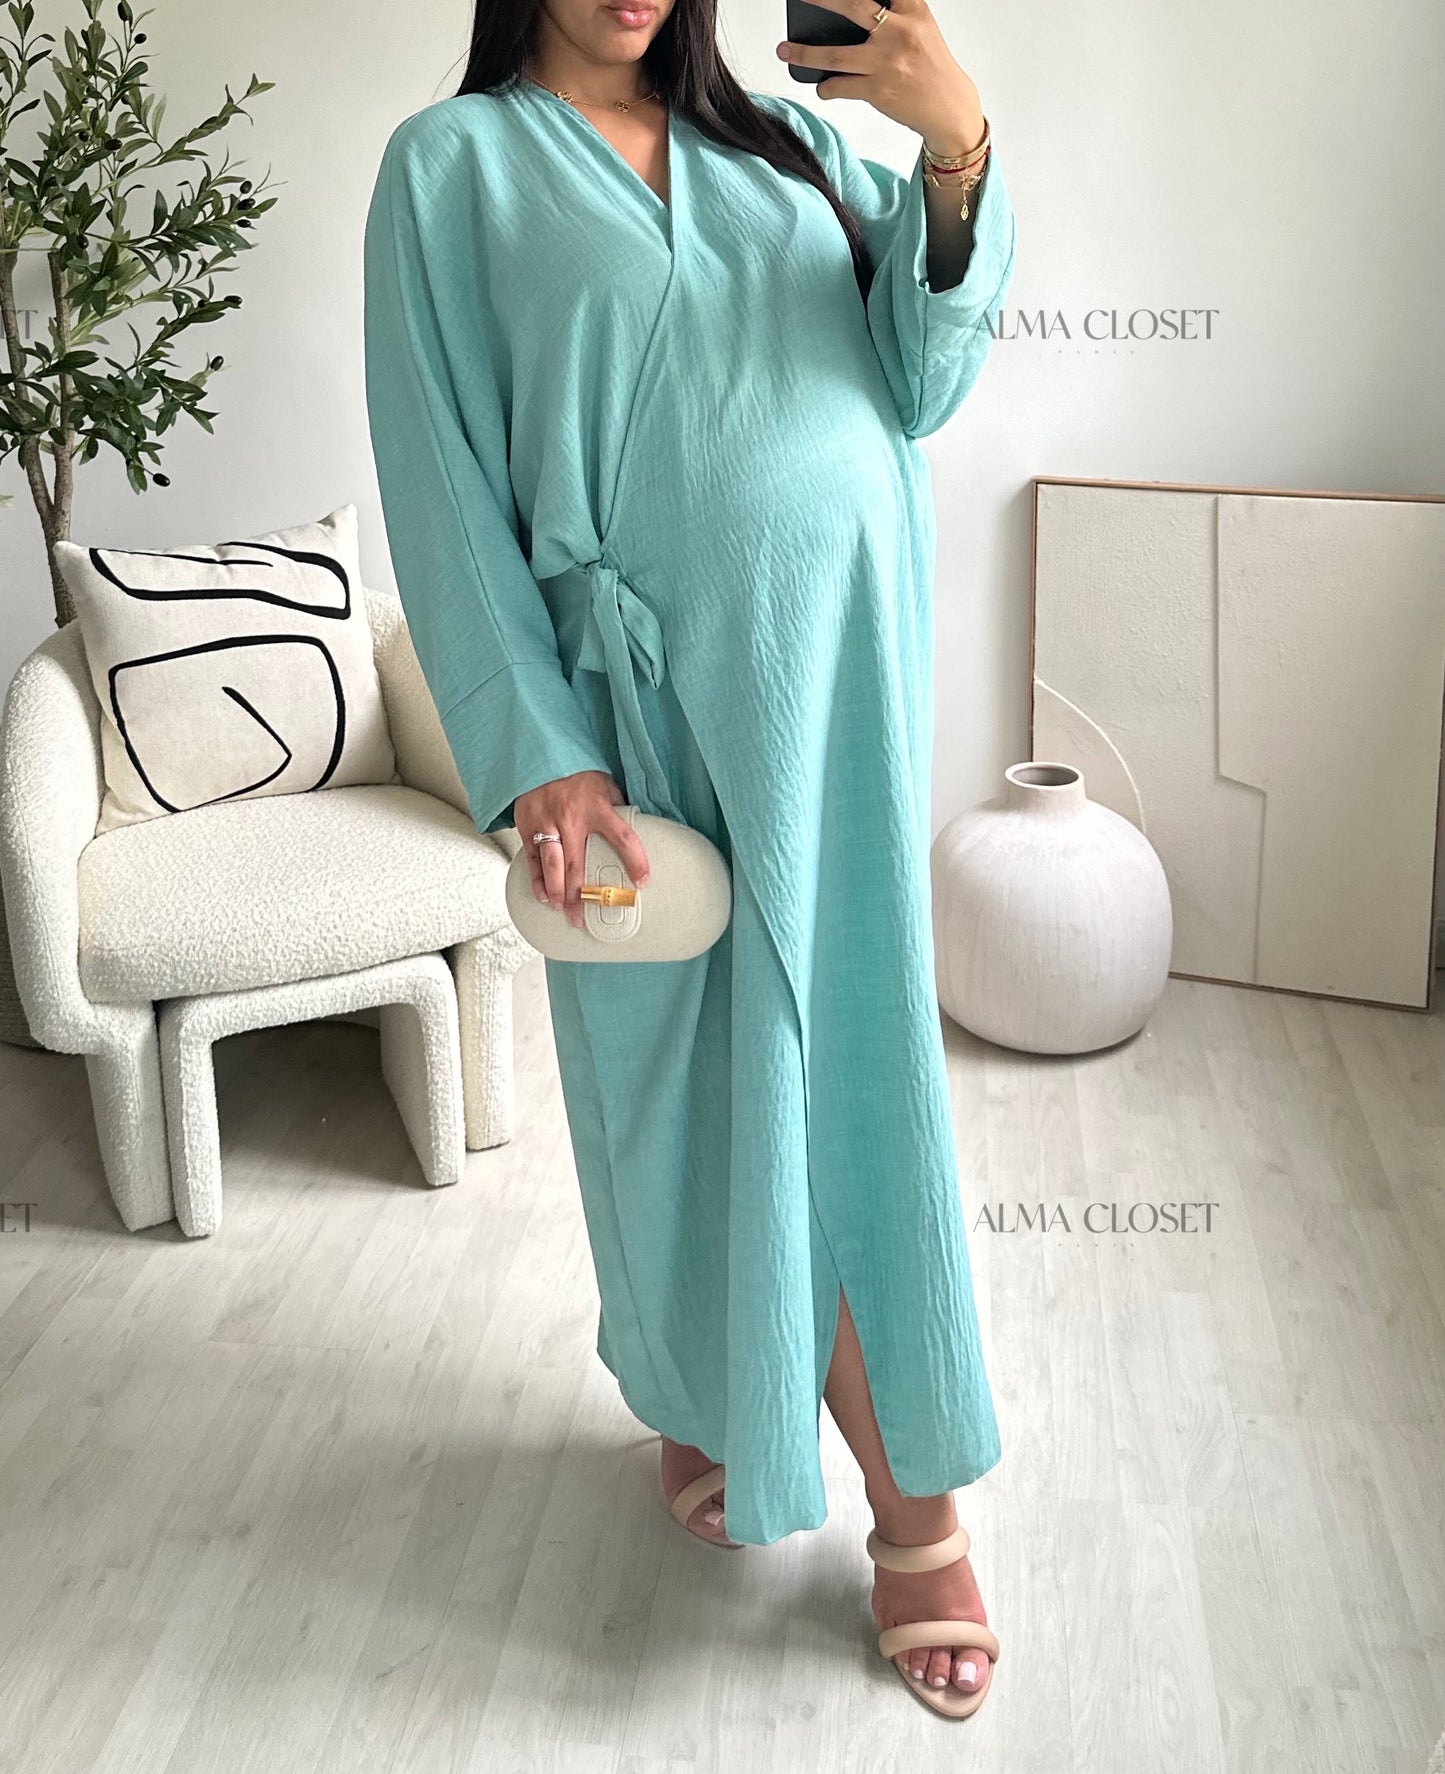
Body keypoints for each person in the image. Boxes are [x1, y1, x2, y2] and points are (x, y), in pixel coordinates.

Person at [363, 0, 1016, 1720]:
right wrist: (535, 742)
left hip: (844, 677)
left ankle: (914, 1505)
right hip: (636, 711)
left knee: (844, 1059)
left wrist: (953, 151)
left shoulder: (789, 145)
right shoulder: (450, 168)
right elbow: (437, 471)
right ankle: (715, 1393)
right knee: (670, 1079)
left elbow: (923, 382)